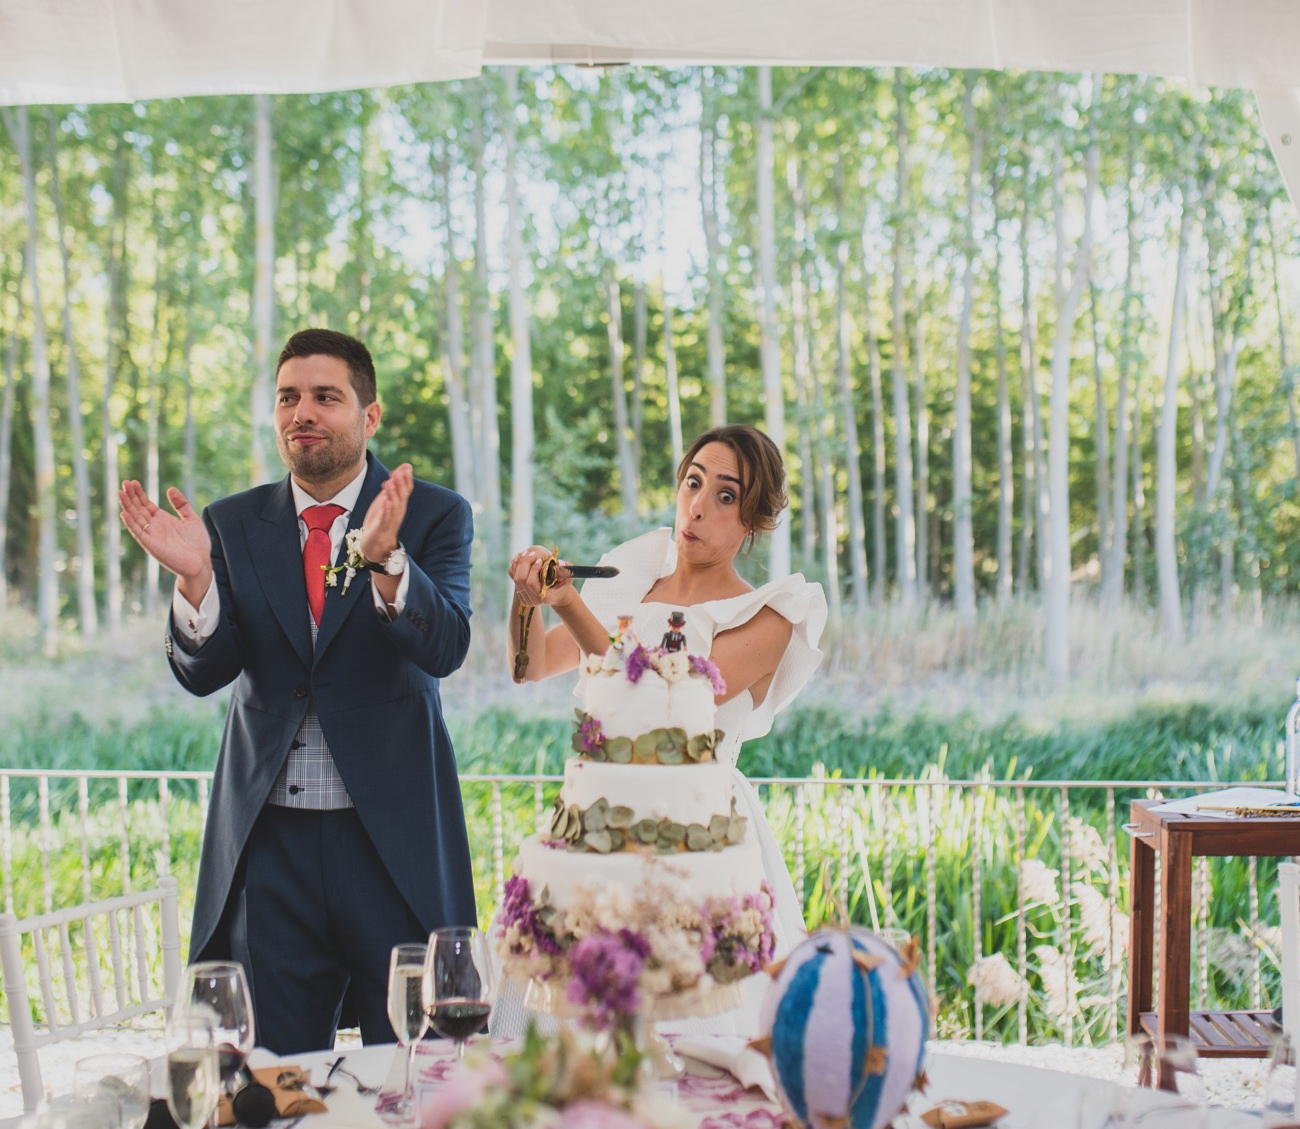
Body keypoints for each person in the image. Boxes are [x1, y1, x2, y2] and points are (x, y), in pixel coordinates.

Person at [118, 328, 476, 1053]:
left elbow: (446, 647)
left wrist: (387, 562)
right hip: (268, 849)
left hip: (392, 846)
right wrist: (195, 581)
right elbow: (204, 671)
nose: (301, 412)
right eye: (288, 397)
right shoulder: (228, 523)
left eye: (324, 396)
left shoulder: (434, 514)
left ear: (368, 415)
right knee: (267, 1074)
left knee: (412, 1067)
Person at [504, 424, 828, 1030]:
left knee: (695, 1022)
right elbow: (532, 666)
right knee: (589, 1029)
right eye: (692, 483)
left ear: (753, 520)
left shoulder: (769, 616)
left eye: (726, 496)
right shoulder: (631, 576)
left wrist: (569, 603)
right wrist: (527, 597)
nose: (698, 507)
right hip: (602, 820)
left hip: (699, 827)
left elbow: (656, 702)